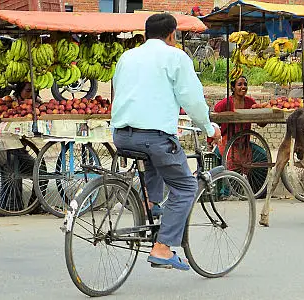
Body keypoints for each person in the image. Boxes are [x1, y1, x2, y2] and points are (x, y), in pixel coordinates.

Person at [110, 13, 221, 271]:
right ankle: (162, 248)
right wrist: (209, 128)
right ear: (172, 35)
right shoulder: (175, 57)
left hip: (122, 134)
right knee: (185, 187)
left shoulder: (127, 57)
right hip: (154, 138)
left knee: (156, 161)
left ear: (147, 34)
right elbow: (192, 100)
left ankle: (150, 204)